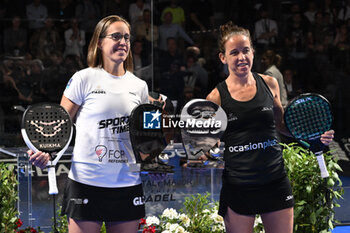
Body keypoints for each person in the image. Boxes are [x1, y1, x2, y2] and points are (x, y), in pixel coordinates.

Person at [206, 21, 335, 233]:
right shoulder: (215, 97)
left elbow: (282, 125)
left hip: (275, 181)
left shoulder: (270, 83)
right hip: (238, 186)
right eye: (234, 52)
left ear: (253, 52)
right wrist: (204, 149)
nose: (241, 57)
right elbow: (209, 143)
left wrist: (314, 136)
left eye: (246, 51)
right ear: (223, 57)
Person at [28, 15, 149, 233]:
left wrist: (154, 155)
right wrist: (46, 152)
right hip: (86, 183)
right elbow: (57, 128)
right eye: (116, 36)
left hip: (127, 184)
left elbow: (145, 141)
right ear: (100, 42)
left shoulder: (140, 86)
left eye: (127, 37)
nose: (123, 42)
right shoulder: (83, 79)